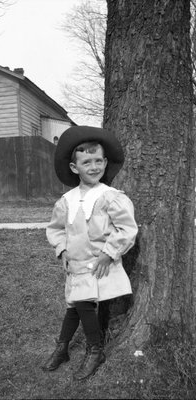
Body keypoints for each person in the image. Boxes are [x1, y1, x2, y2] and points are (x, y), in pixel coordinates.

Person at [44, 126, 138, 381]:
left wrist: (109, 252)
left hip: (98, 263)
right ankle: (62, 348)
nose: (94, 166)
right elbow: (56, 228)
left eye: (98, 161)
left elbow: (127, 228)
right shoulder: (67, 200)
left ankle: (95, 350)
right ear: (75, 168)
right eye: (87, 162)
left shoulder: (110, 197)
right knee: (73, 306)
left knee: (84, 305)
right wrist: (61, 249)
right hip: (74, 265)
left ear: (106, 163)